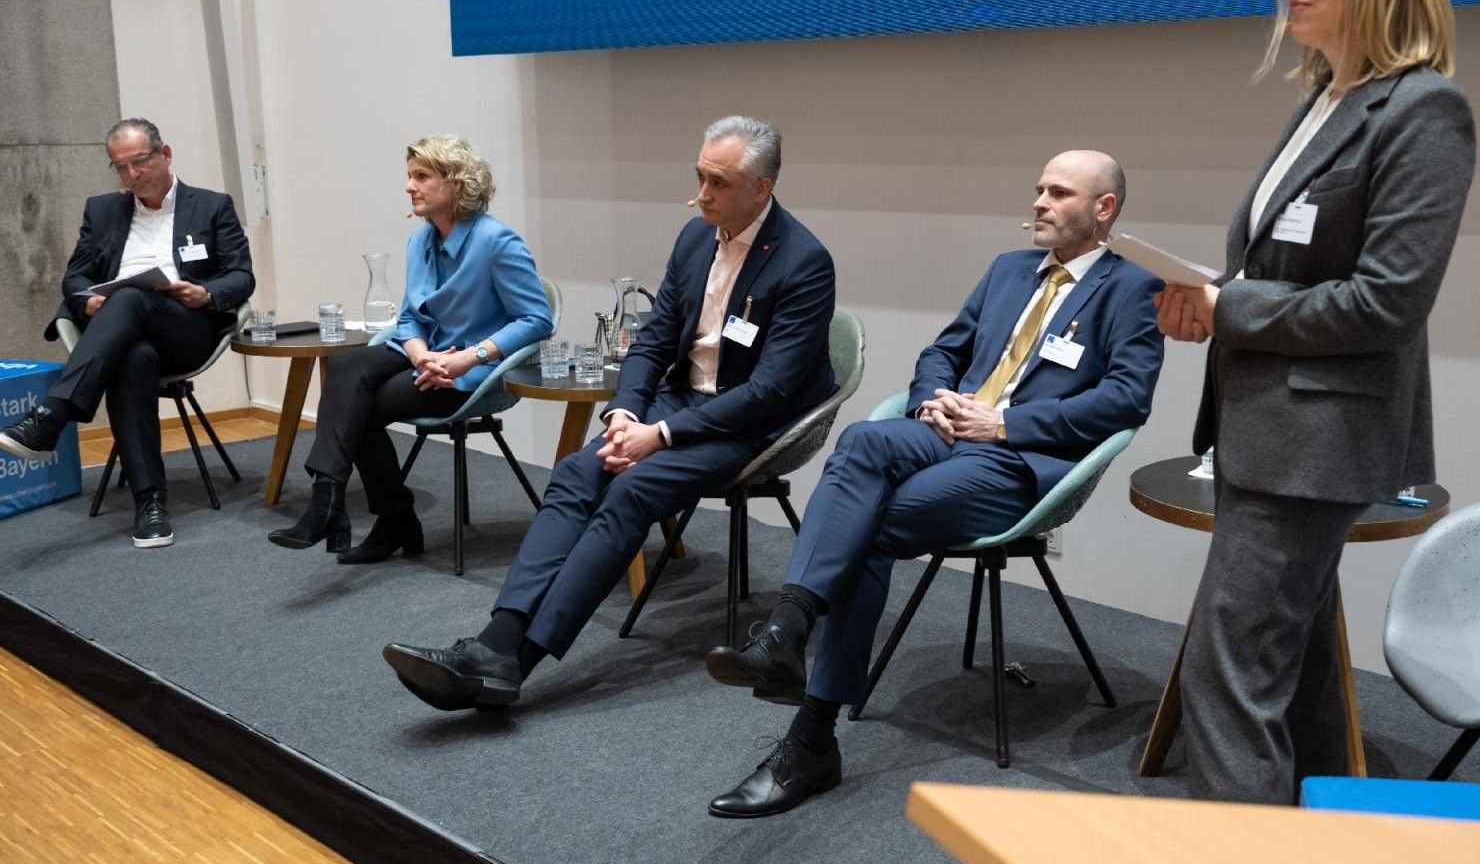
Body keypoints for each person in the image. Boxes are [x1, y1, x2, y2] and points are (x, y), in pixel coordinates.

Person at [704, 149, 1165, 817]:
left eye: (1059, 193)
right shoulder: (1007, 269)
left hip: (1018, 459)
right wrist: (930, 402)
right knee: (862, 441)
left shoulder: (1133, 288)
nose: (1039, 201)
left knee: (868, 529)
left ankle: (809, 735)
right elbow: (944, 351)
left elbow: (1125, 399)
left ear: (1104, 208)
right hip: (949, 429)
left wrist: (1004, 423)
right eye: (1038, 188)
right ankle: (787, 634)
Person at [1152, 0, 1474, 804]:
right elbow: (1279, 270)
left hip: (1315, 445)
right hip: (1264, 428)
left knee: (1228, 679)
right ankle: (1323, 844)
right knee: (1295, 675)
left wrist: (1230, 307)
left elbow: (1385, 303)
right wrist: (1208, 302)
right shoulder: (1326, 100)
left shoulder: (1424, 110)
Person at [382, 115, 837, 709]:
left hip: (749, 423)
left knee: (631, 490)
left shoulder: (803, 261)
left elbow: (770, 391)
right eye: (699, 177)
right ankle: (497, 639)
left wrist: (660, 434)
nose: (700, 194)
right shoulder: (695, 238)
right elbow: (653, 342)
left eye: (718, 183)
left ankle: (515, 662)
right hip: (680, 401)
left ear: (761, 189)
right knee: (577, 471)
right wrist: (623, 414)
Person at [268, 135, 551, 562]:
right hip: (424, 355)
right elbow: (409, 318)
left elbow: (536, 319)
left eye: (421, 176)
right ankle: (329, 500)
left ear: (455, 182)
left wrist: (467, 358)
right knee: (345, 364)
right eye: (409, 176)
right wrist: (420, 354)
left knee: (359, 406)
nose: (409, 186)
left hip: (472, 372)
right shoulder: (419, 242)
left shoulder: (497, 241)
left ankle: (384, 517)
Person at [0, 119, 254, 548]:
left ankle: (50, 416)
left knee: (132, 298)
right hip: (121, 333)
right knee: (133, 357)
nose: (132, 174)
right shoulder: (102, 211)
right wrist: (87, 302)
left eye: (140, 161)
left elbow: (241, 276)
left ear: (165, 154)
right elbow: (76, 277)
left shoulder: (212, 206)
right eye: (121, 167)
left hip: (186, 328)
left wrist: (205, 293)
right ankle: (150, 503)